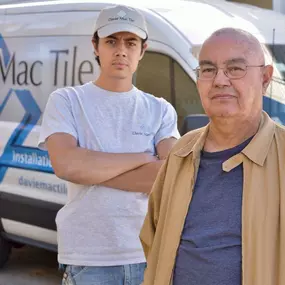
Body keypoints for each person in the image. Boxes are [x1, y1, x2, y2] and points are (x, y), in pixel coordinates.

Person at [38, 4, 180, 285]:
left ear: (143, 50)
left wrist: (92, 168)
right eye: (111, 41)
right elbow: (66, 165)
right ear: (95, 45)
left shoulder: (160, 110)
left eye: (131, 42)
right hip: (89, 259)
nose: (121, 50)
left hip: (146, 254)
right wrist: (144, 157)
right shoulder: (67, 101)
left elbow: (168, 177)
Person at [140, 27, 285, 285]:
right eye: (208, 70)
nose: (220, 80)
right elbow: (154, 239)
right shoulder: (182, 152)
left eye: (235, 69)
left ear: (265, 78)